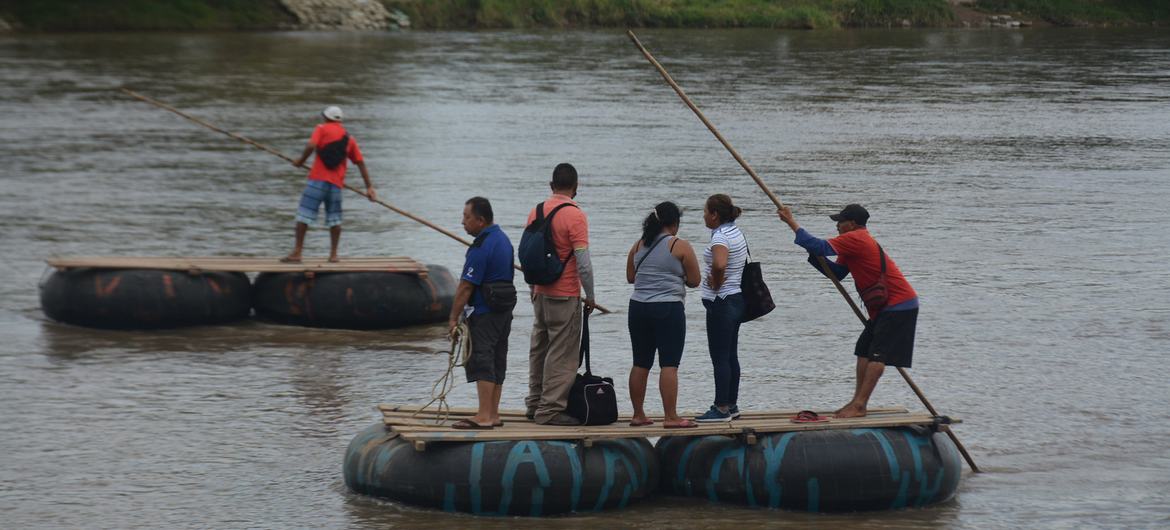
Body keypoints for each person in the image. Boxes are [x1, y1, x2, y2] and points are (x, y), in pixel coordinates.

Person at [777, 203, 919, 418]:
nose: (837, 227)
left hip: (898, 305)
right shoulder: (852, 244)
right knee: (863, 350)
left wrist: (791, 223)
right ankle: (856, 402)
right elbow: (837, 273)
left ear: (851, 224)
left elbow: (821, 246)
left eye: (840, 222)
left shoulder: (857, 238)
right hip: (883, 309)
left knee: (877, 355)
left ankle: (860, 404)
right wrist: (814, 254)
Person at [525, 163, 595, 426]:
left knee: (539, 349)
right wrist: (590, 294)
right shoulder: (575, 215)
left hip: (540, 292)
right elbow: (583, 262)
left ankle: (534, 403)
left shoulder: (537, 210)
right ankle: (550, 410)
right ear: (575, 188)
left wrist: (532, 288)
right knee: (563, 353)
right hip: (564, 294)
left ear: (551, 185)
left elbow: (529, 253)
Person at [625, 201, 701, 429]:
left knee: (640, 363)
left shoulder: (638, 246)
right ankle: (671, 417)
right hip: (668, 308)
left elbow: (631, 277)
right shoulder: (679, 245)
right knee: (669, 364)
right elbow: (695, 281)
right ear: (674, 223)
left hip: (638, 308)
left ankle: (638, 415)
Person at [447, 197, 515, 429]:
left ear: (481, 220)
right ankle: (493, 413)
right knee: (497, 359)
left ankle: (484, 416)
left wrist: (453, 318)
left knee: (483, 358)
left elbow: (466, 286)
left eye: (467, 217)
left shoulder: (481, 247)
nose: (462, 222)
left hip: (485, 312)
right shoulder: (503, 240)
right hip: (504, 312)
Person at [282, 105, 376, 263]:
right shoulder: (349, 139)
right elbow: (360, 163)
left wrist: (300, 161)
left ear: (325, 117)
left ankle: (297, 252)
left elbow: (311, 145)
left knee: (304, 216)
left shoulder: (321, 128)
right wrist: (369, 188)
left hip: (317, 181)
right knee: (335, 220)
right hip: (335, 186)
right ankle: (333, 255)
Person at [695, 194, 750, 423]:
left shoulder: (720, 237)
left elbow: (719, 263)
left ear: (715, 215)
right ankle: (732, 403)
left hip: (722, 301)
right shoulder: (735, 231)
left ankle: (720, 407)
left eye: (706, 211)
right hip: (737, 298)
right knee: (730, 355)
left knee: (720, 357)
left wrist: (716, 283)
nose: (704, 216)